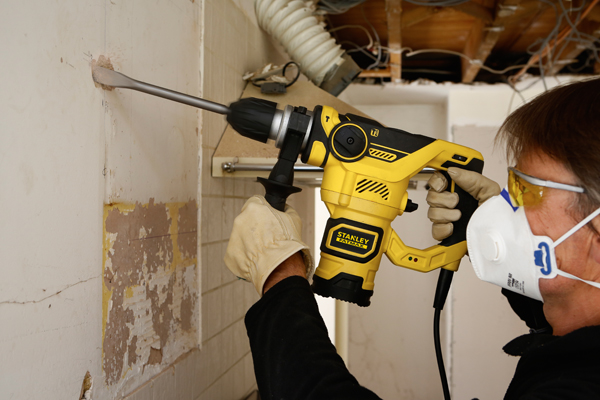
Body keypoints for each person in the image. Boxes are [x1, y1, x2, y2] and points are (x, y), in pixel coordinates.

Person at [224, 78, 600, 399]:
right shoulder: (573, 354)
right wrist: (483, 229)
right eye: (512, 185)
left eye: (527, 190)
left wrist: (280, 277)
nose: (508, 206)